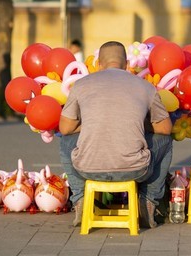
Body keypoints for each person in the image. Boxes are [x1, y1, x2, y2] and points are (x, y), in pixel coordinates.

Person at [58, 41, 173, 228]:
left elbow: (65, 128)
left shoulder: (81, 85)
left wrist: (90, 124)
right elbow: (165, 128)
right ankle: (148, 201)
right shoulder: (145, 87)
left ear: (98, 64)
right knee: (165, 142)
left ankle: (79, 200)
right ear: (127, 64)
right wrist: (139, 125)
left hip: (86, 168)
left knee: (66, 140)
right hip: (135, 169)